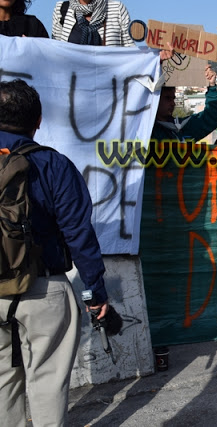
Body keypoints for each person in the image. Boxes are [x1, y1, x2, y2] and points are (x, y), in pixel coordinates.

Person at [0, 79, 109, 426]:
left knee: (2, 381)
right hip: (43, 289)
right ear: (38, 120)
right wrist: (95, 293)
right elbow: (79, 235)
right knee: (47, 382)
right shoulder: (53, 165)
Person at [152, 66, 217, 144]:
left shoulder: (181, 127)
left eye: (173, 98)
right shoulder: (147, 131)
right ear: (155, 100)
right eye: (167, 98)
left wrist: (211, 86)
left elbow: (211, 118)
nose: (173, 103)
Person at [51, 0, 135, 46]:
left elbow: (130, 49)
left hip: (109, 76)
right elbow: (56, 51)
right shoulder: (61, 9)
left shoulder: (117, 8)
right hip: (72, 76)